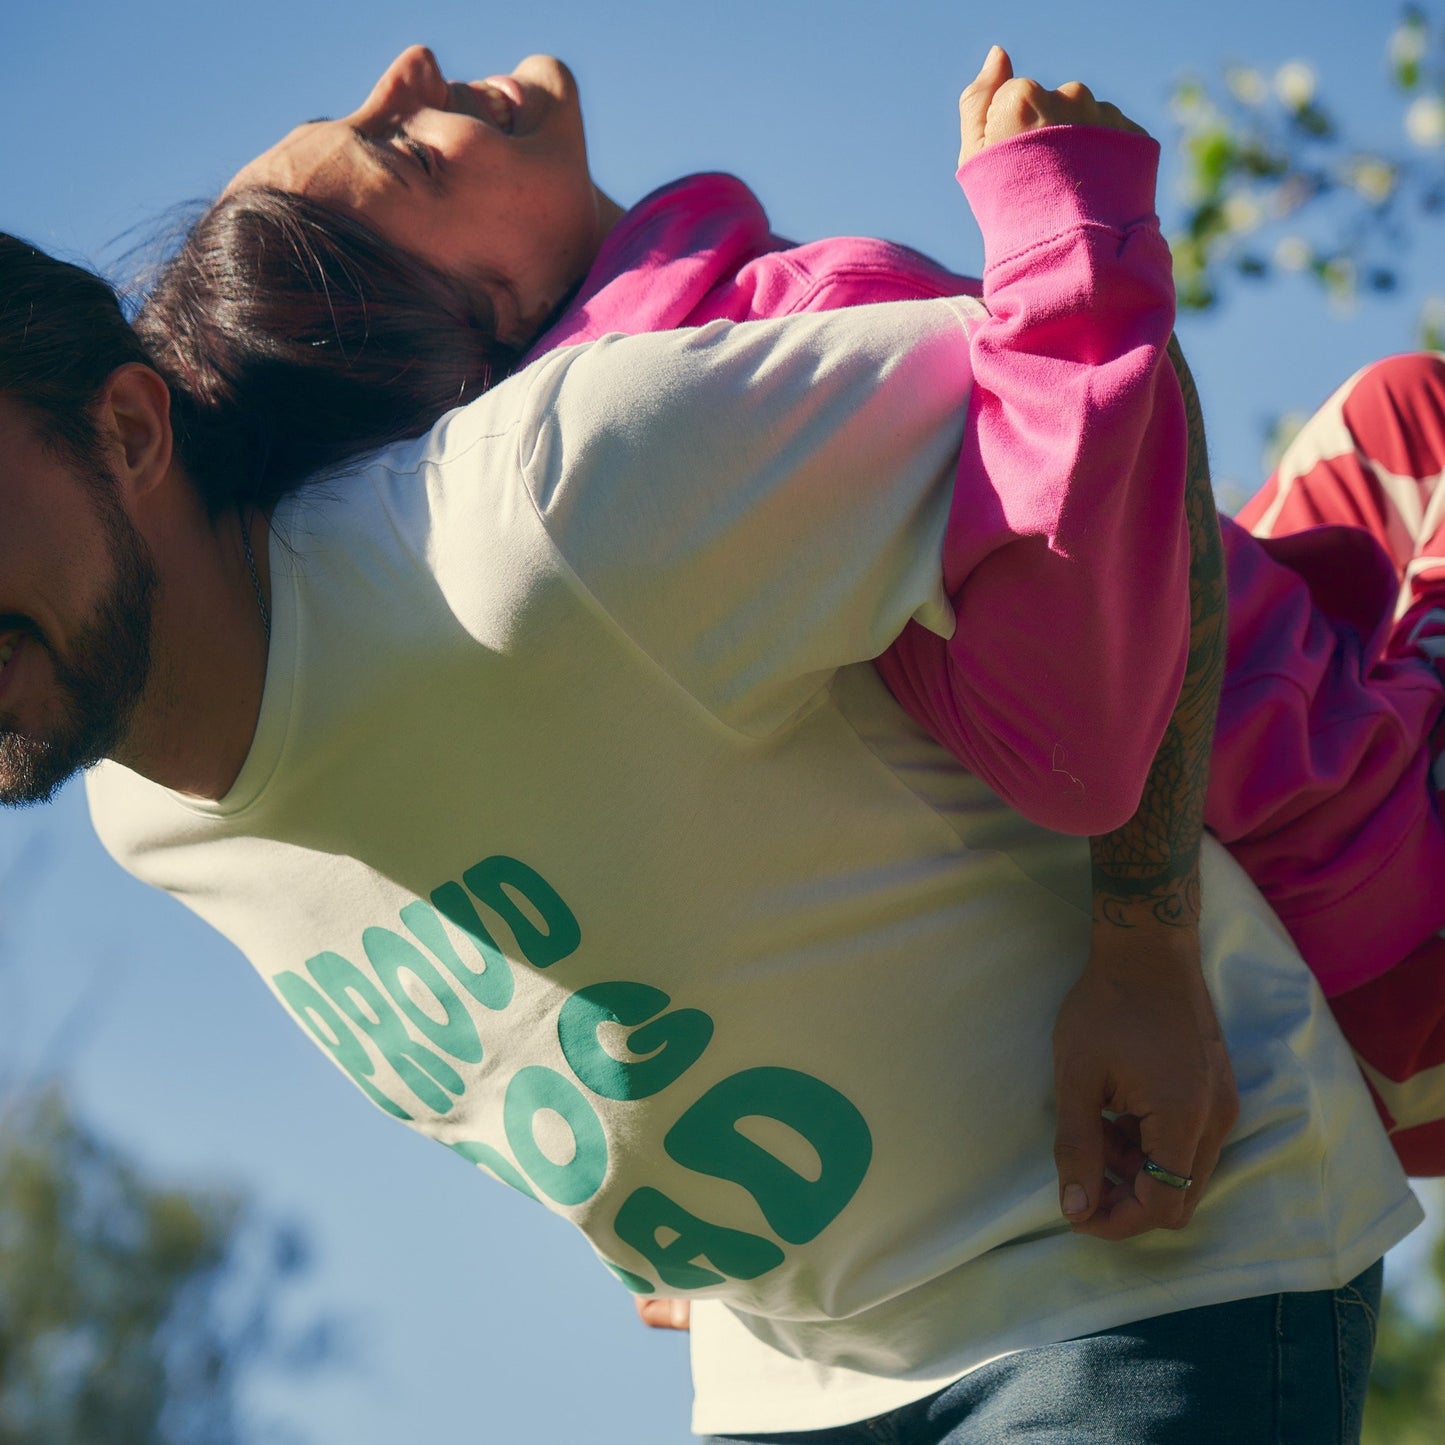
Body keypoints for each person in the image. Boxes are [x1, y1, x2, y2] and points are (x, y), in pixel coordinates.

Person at [0, 63, 1416, 1443]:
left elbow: (1107, 389)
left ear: (130, 426)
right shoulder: (144, 807)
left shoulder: (547, 509)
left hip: (1135, 1275)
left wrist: (1145, 931)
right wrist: (644, 1222)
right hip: (782, 1385)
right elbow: (516, 998)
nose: (420, 76)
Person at [167, 42, 1445, 1180]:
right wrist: (1067, 234)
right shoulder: (741, 383)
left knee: (1406, 406)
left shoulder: (690, 392)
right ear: (483, 311)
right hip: (1376, 895)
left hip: (1323, 783)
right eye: (401, 150)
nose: (411, 65)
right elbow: (1075, 740)